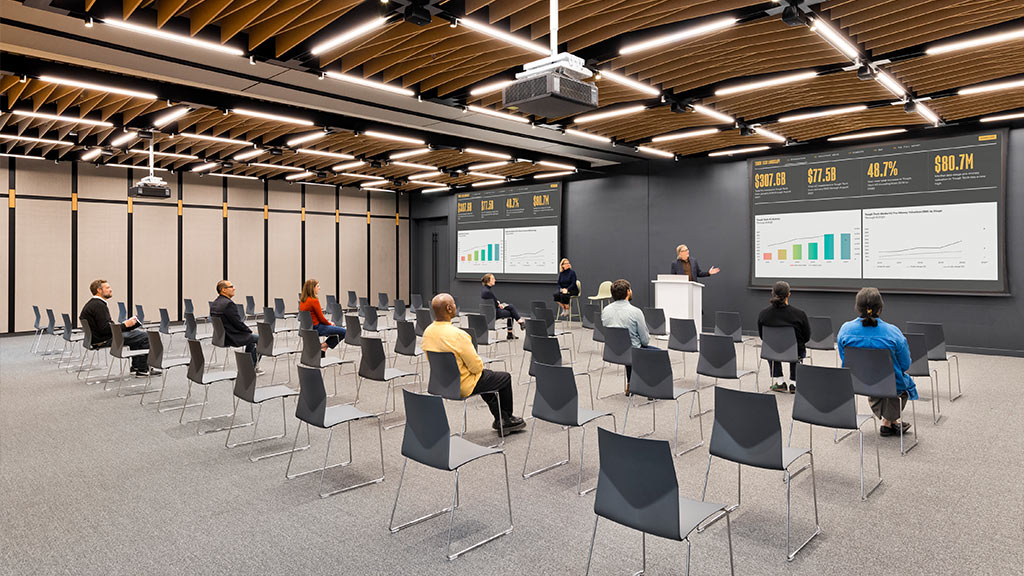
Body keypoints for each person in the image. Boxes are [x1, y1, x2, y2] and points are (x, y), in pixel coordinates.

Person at [422, 293, 526, 434]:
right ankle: (506, 420)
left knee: (489, 377)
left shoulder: (428, 332)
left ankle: (501, 418)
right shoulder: (458, 335)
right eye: (453, 304)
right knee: (503, 377)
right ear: (449, 308)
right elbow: (476, 367)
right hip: (462, 385)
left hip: (441, 382)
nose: (455, 306)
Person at [837, 287, 917, 437]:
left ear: (857, 307)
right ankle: (889, 421)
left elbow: (845, 359)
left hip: (858, 381)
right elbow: (905, 365)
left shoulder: (845, 330)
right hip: (891, 384)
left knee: (877, 382)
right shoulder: (893, 332)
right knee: (902, 386)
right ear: (880, 308)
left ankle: (890, 422)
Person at [79, 279, 151, 376]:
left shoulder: (94, 304)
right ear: (99, 290)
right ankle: (142, 369)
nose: (111, 290)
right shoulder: (98, 305)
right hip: (103, 339)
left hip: (98, 338)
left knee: (135, 335)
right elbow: (105, 330)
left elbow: (106, 327)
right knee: (144, 336)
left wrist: (126, 326)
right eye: (107, 288)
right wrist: (125, 325)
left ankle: (137, 367)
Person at [757, 281, 810, 393]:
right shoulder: (799, 314)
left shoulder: (763, 314)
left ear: (772, 293)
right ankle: (794, 383)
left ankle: (779, 381)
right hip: (795, 352)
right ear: (789, 294)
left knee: (772, 344)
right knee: (798, 345)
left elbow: (763, 337)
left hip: (771, 352)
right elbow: (806, 337)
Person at [600, 279, 656, 384]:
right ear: (628, 292)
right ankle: (650, 388)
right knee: (658, 353)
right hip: (632, 352)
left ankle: (630, 385)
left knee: (628, 344)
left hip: (612, 351)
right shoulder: (636, 312)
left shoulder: (605, 310)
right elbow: (645, 341)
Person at [210, 280, 261, 369]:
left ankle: (249, 364)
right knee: (260, 339)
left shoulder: (215, 303)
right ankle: (250, 368)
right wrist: (248, 330)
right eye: (231, 287)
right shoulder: (228, 304)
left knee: (251, 339)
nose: (234, 288)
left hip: (221, 336)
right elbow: (237, 323)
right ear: (223, 290)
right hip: (232, 336)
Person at [298, 279, 345, 351]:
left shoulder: (303, 301)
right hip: (318, 328)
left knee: (336, 330)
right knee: (344, 332)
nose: (319, 288)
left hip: (307, 328)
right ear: (312, 288)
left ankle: (323, 350)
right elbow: (321, 318)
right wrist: (330, 323)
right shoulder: (314, 300)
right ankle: (322, 345)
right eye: (317, 286)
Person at [480, 273, 525, 339]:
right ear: (489, 280)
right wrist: (498, 304)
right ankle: (518, 324)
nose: (495, 280)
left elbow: (492, 302)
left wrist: (498, 303)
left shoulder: (485, 290)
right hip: (495, 313)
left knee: (511, 307)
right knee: (511, 312)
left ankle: (519, 323)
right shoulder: (488, 292)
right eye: (493, 279)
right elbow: (495, 304)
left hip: (489, 312)